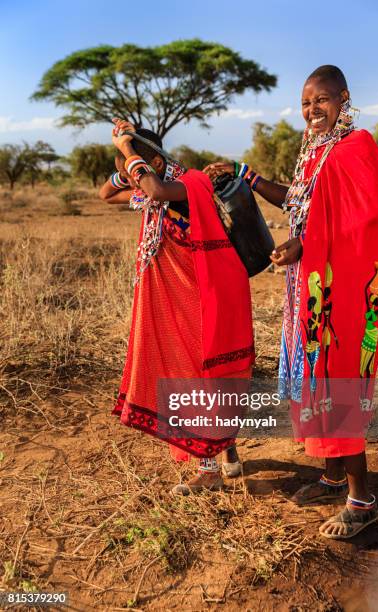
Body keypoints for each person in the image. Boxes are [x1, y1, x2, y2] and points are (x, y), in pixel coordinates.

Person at [204, 65, 378, 539]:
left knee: (336, 378)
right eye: (306, 102)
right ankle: (332, 476)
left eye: (322, 100)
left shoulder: (357, 148)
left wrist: (306, 246)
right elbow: (298, 203)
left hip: (345, 292)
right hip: (313, 290)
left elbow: (366, 220)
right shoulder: (313, 153)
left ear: (344, 98)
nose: (313, 110)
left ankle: (362, 499)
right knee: (316, 375)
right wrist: (246, 177)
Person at [99, 119, 254, 495]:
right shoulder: (154, 188)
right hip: (183, 299)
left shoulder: (189, 184)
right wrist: (127, 163)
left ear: (152, 160)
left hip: (208, 294)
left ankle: (210, 468)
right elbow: (106, 193)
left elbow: (153, 186)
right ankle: (223, 451)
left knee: (202, 371)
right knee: (198, 372)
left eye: (134, 165)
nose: (130, 176)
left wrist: (128, 151)